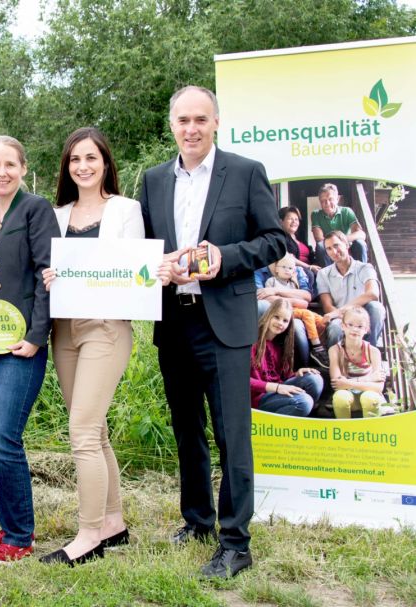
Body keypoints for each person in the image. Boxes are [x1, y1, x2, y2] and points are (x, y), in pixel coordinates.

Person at [139, 85, 285, 578]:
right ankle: (198, 521)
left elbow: (275, 240)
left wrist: (227, 257)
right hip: (174, 321)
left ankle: (235, 543)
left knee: (231, 435)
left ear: (216, 122)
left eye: (200, 119)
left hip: (224, 321)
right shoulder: (153, 180)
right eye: (183, 120)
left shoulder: (245, 172)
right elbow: (143, 249)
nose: (191, 129)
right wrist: (152, 266)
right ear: (172, 125)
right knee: (187, 429)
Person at [40, 127, 142, 567]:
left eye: (91, 158)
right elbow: (47, 268)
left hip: (106, 326)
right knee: (94, 430)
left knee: (81, 431)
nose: (82, 166)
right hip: (64, 330)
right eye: (75, 159)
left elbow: (136, 270)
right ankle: (114, 522)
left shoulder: (126, 210)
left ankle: (88, 535)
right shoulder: (56, 215)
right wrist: (49, 275)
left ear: (105, 163)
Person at [0, 136, 58, 565]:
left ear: (23, 168)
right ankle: (8, 527)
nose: (2, 172)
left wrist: (37, 336)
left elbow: (46, 275)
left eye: (10, 165)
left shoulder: (36, 209)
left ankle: (20, 536)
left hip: (20, 345)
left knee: (4, 437)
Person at [250, 299, 323, 417]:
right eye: (276, 317)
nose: (280, 323)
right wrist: (276, 387)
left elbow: (282, 377)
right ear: (268, 316)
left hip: (277, 390)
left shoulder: (280, 345)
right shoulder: (250, 343)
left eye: (285, 320)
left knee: (314, 379)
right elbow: (241, 381)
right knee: (303, 402)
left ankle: (303, 418)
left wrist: (296, 374)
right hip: (258, 398)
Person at [316, 231, 384, 348]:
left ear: (347, 245)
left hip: (363, 316)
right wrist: (345, 317)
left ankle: (368, 351)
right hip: (340, 318)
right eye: (329, 249)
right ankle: (335, 358)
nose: (334, 252)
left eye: (336, 246)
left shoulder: (364, 268)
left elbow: (372, 293)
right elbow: (327, 306)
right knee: (335, 328)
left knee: (376, 307)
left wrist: (346, 313)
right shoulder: (323, 274)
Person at [264, 253, 329, 368]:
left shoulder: (293, 283)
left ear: (294, 271)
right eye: (284, 267)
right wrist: (293, 299)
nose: (287, 270)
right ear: (276, 269)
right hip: (282, 312)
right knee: (307, 314)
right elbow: (270, 299)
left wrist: (281, 294)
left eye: (290, 268)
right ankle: (317, 347)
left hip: (297, 309)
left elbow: (304, 301)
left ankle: (323, 347)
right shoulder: (271, 281)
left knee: (320, 320)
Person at [328, 306, 386, 418]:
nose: (355, 329)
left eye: (360, 326)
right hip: (349, 396)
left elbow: (378, 387)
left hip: (369, 394)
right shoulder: (335, 350)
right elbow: (337, 384)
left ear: (366, 329)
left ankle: (371, 428)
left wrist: (349, 383)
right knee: (340, 397)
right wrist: (369, 379)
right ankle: (345, 428)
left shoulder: (373, 351)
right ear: (342, 326)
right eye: (350, 325)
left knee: (370, 398)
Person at [311, 183, 368, 266]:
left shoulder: (347, 211)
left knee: (360, 243)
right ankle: (328, 273)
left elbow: (361, 234)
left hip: (346, 245)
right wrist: (335, 244)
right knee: (320, 246)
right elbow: (319, 238)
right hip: (329, 247)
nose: (327, 203)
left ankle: (362, 271)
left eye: (330, 199)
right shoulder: (316, 214)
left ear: (337, 199)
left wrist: (341, 241)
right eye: (323, 201)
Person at [278, 206, 318, 271]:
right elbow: (287, 257)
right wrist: (309, 267)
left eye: (296, 219)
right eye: (290, 219)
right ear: (281, 222)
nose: (294, 221)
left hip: (310, 268)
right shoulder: (280, 237)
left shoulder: (300, 237)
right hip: (297, 270)